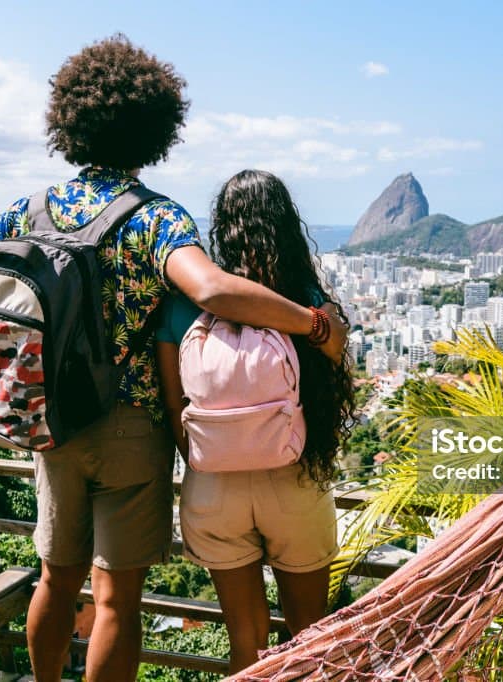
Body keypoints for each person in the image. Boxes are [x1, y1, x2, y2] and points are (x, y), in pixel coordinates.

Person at [0, 37, 346, 682]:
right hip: (129, 424)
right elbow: (210, 290)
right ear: (155, 130)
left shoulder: (28, 210)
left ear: (70, 124)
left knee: (55, 579)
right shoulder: (155, 217)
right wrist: (313, 322)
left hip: (48, 420)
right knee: (114, 599)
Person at [156, 169, 355, 672]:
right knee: (308, 634)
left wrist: (205, 459)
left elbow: (174, 406)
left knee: (245, 640)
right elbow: (333, 366)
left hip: (213, 483)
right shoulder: (306, 302)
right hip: (294, 476)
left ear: (222, 228)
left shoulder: (181, 305)